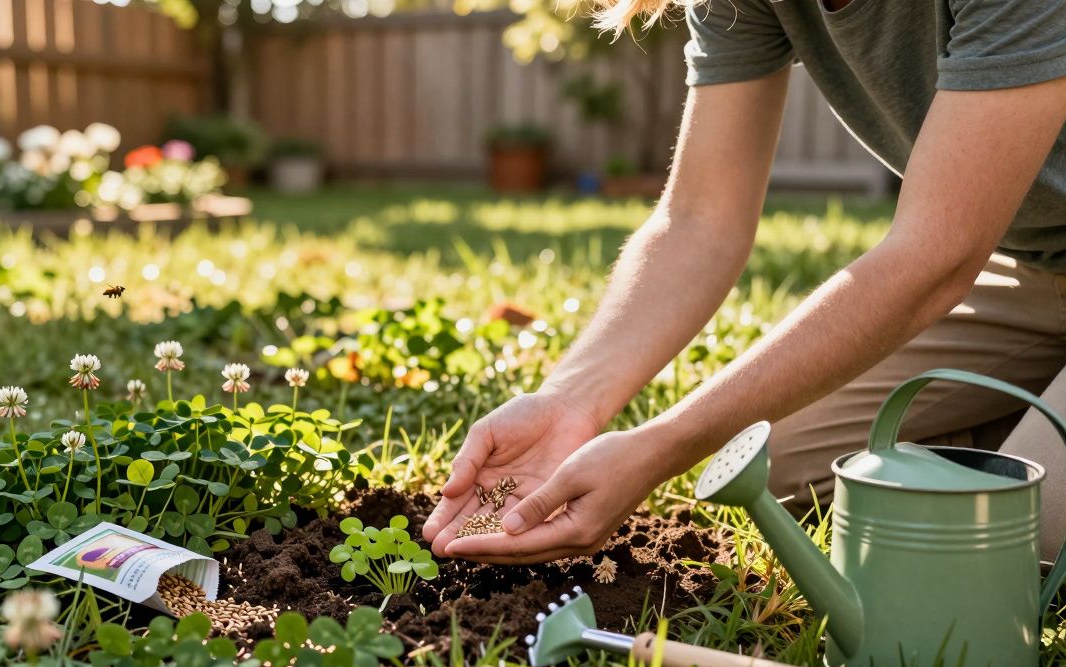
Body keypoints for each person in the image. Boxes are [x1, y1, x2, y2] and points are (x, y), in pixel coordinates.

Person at [422, 0, 1066, 564]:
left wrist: (662, 444)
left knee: (1027, 538)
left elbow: (934, 258)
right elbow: (699, 218)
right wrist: (571, 401)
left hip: (968, 263)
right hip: (1036, 273)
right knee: (781, 463)